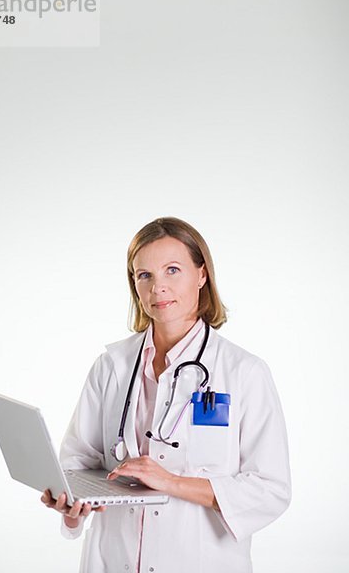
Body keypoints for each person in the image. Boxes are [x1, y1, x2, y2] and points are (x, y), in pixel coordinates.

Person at [41, 216, 291, 573]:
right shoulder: (111, 365)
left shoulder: (243, 372)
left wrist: (172, 482)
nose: (158, 287)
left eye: (172, 270)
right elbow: (77, 462)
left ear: (202, 275)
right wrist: (73, 503)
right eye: (145, 275)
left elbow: (271, 489)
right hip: (113, 559)